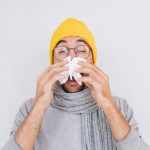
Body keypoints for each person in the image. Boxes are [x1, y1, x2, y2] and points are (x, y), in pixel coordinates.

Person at [1, 18, 150, 150]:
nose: (71, 57)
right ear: (52, 62)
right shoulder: (30, 108)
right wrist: (39, 105)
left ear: (92, 60)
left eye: (81, 50)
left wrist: (108, 105)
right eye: (61, 51)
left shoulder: (120, 106)